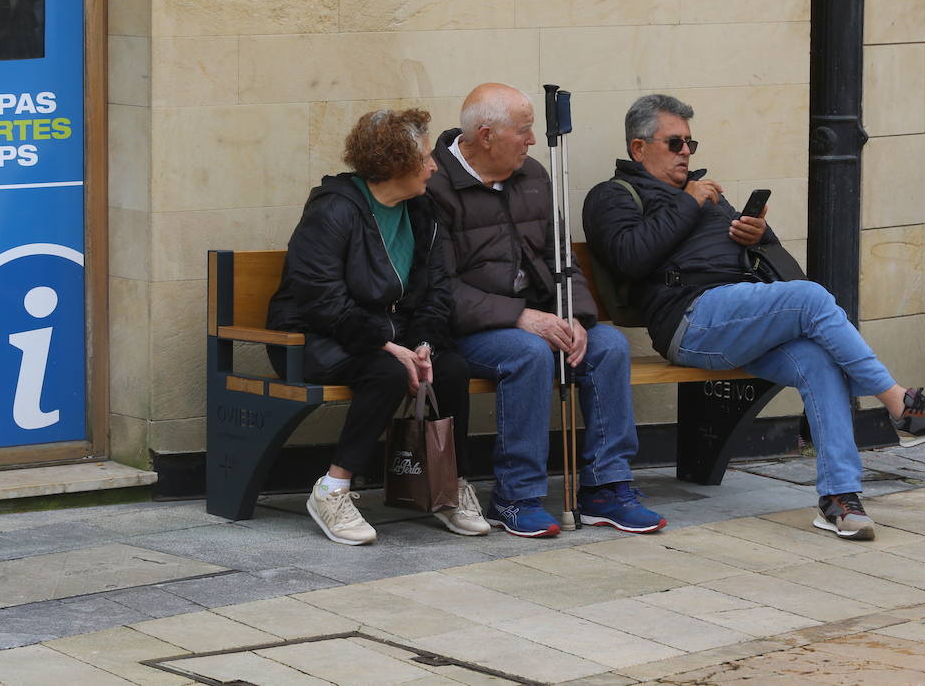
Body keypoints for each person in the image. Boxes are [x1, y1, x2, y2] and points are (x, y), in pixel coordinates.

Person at [582, 94, 925, 541]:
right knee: (809, 297)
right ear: (638, 148)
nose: (687, 153)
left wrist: (758, 235)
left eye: (691, 144)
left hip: (743, 314)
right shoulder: (612, 196)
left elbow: (763, 258)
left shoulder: (708, 195)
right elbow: (630, 258)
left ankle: (838, 498)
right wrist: (687, 203)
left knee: (818, 360)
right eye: (675, 144)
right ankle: (901, 405)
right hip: (691, 321)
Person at [425, 84, 665, 537]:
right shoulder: (435, 186)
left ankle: (606, 488)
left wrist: (573, 314)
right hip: (468, 327)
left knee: (608, 344)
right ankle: (515, 495)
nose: (533, 140)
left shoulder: (532, 174)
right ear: (486, 134)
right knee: (527, 354)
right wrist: (520, 316)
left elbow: (562, 259)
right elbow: (440, 287)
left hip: (538, 315)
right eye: (524, 130)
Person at [267, 109, 489, 545]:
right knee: (386, 372)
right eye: (425, 157)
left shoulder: (423, 213)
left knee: (451, 369)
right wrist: (389, 346)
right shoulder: (334, 210)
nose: (433, 166)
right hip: (312, 337)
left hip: (389, 338)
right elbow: (319, 299)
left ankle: (446, 488)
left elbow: (436, 293)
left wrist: (422, 344)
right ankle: (332, 488)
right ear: (394, 162)